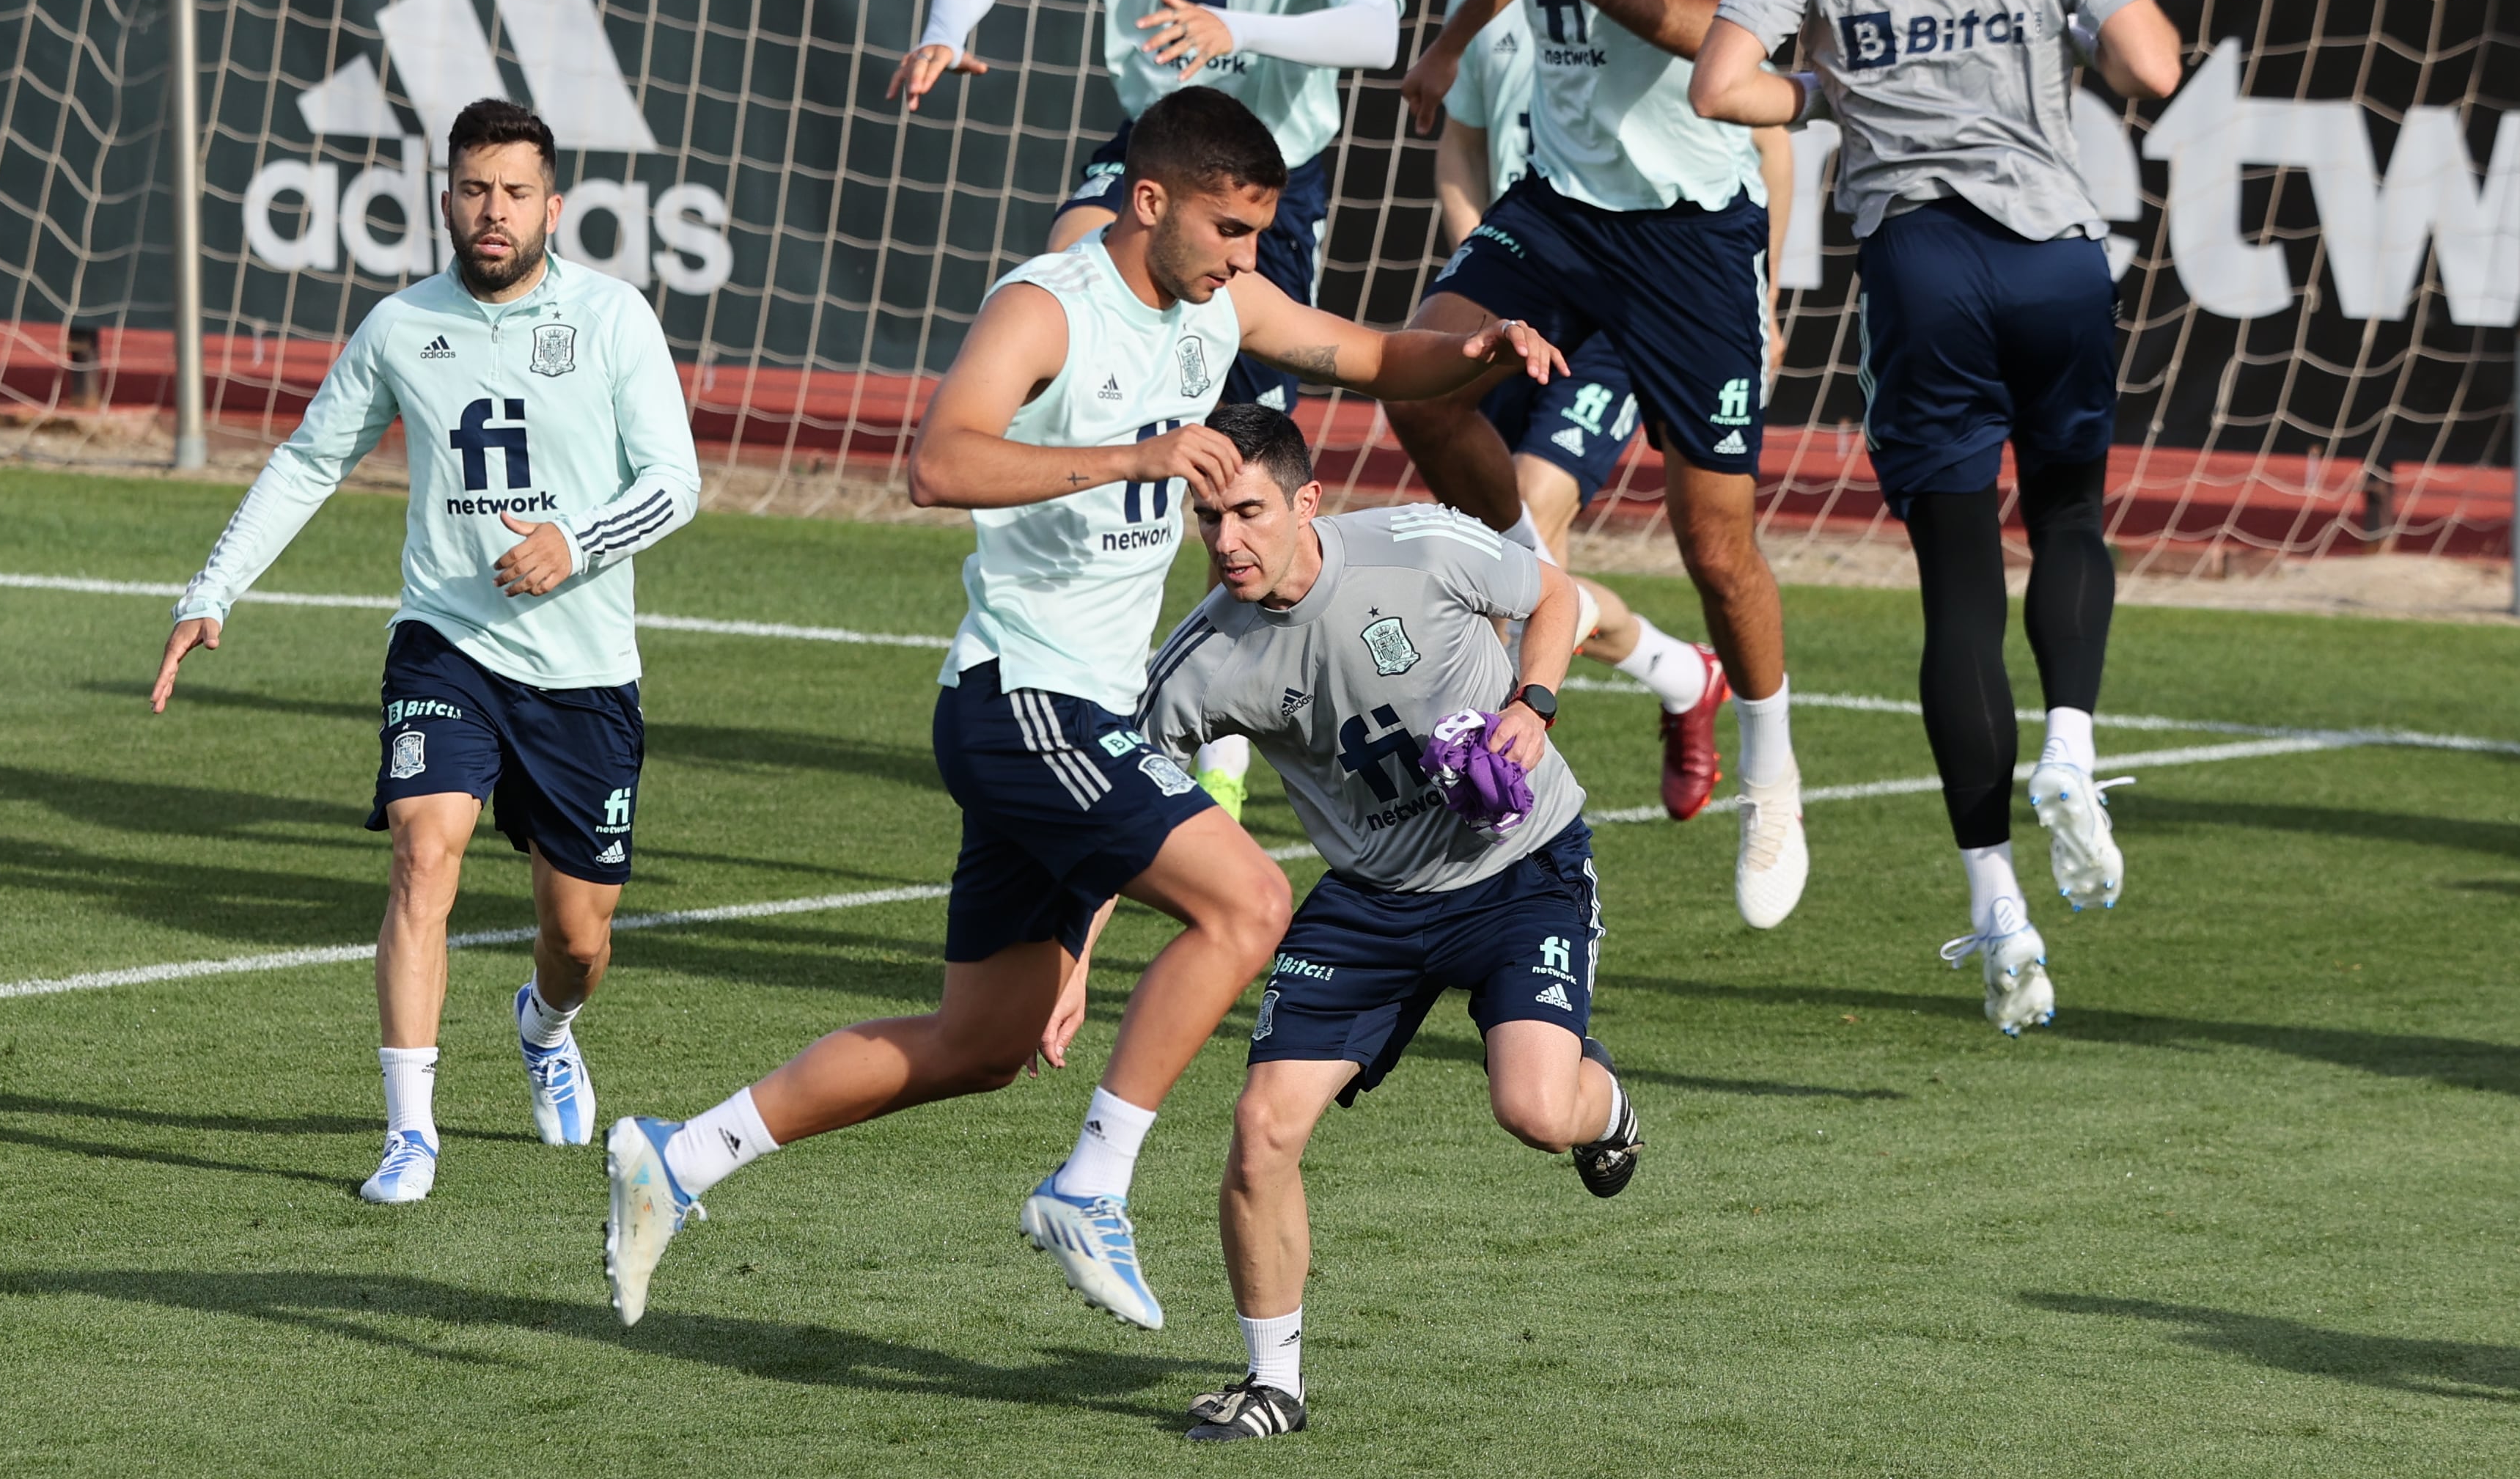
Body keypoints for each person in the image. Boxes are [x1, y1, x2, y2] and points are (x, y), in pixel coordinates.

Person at [599, 87, 1563, 1335]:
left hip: (1079, 718)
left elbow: (1376, 356)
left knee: (980, 1042)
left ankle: (678, 1159)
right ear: (1148, 202)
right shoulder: (1045, 304)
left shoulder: (1223, 306)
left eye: (1258, 236)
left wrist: (1477, 356)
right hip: (1025, 697)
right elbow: (939, 461)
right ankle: (1091, 1185)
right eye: (1227, 229)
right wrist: (1136, 453)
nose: (1244, 260)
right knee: (1251, 901)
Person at [1691, 0, 2183, 1034]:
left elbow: (1721, 87)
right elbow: (2153, 60)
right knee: (2072, 514)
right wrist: (2069, 46)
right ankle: (2073, 753)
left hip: (1921, 265)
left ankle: (1999, 916)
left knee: (1958, 586)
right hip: (2055, 257)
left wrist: (1836, 92)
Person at [150, 98, 702, 1201]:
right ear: (445, 198)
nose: (490, 212)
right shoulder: (402, 327)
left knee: (580, 938)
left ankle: (544, 1030)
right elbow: (311, 461)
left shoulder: (612, 318)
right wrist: (214, 587)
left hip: (582, 670)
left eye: (512, 193)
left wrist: (574, 544)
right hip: (444, 645)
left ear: (554, 206)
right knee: (422, 852)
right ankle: (411, 1132)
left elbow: (676, 485)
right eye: (471, 190)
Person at [886, 0, 1407, 826]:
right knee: (1070, 291)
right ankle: (1041, 575)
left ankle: (1224, 726)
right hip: (1150, 152)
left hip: (1269, 175)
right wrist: (944, 27)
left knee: (1246, 461)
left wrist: (1243, 33)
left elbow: (1379, 25)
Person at [1136, 405, 1642, 1442]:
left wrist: (1531, 707)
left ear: (1306, 502)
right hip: (1370, 901)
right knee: (1261, 1129)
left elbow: (1555, 594)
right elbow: (1113, 815)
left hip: (1523, 868)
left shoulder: (1418, 543)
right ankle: (1273, 1382)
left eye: (1248, 512)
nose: (1227, 541)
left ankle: (1612, 1111)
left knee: (1539, 1112)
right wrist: (1069, 958)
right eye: (1205, 517)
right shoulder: (1201, 661)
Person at [1395, 0, 1808, 931]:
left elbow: (1712, 35)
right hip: (1566, 209)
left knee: (1716, 543)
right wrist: (1453, 45)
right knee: (1411, 370)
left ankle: (1774, 770)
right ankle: (1536, 576)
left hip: (1689, 238)